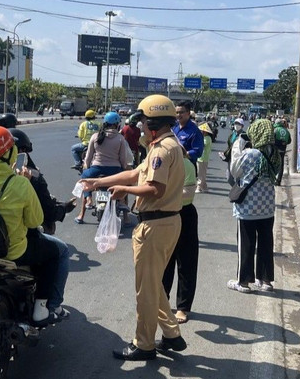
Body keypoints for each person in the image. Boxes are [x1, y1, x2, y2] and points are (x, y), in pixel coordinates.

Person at [82, 94, 187, 361]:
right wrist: (98, 183)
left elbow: (154, 188)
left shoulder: (162, 150)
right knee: (153, 285)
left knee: (145, 291)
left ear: (153, 122)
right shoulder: (162, 145)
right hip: (165, 222)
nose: (138, 126)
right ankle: (172, 334)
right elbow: (134, 173)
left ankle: (144, 344)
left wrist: (122, 190)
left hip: (155, 225)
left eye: (141, 121)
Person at [0, 127, 68, 329]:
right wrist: (25, 184)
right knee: (57, 253)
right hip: (14, 252)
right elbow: (34, 221)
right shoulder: (20, 183)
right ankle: (42, 308)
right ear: (9, 153)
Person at [227, 119, 281, 293]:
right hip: (267, 206)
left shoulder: (250, 154)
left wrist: (238, 144)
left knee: (246, 244)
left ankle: (243, 281)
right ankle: (265, 281)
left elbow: (234, 170)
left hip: (248, 207)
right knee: (266, 243)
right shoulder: (275, 154)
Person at [8, 128, 76, 235]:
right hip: (20, 239)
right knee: (63, 251)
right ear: (19, 152)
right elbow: (48, 214)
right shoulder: (31, 177)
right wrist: (64, 208)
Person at [162, 148, 199, 324]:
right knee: (164, 262)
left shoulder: (186, 165)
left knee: (186, 263)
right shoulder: (158, 164)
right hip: (163, 215)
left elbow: (188, 194)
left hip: (183, 213)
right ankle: (162, 301)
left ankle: (183, 307)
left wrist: (163, 196)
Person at [75, 112, 128, 223]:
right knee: (126, 180)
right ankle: (123, 206)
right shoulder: (120, 138)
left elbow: (88, 157)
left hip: (96, 169)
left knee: (85, 179)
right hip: (115, 170)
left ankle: (86, 205)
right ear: (117, 124)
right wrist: (124, 169)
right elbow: (123, 160)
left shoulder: (95, 136)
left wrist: (86, 168)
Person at [273, 118, 292, 186]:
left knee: (274, 164)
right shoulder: (286, 131)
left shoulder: (275, 130)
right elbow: (289, 141)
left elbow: (273, 140)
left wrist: (279, 142)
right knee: (281, 165)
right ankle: (279, 181)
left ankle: (273, 179)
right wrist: (284, 142)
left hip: (275, 150)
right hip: (283, 150)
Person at [196, 122, 214, 193]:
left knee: (200, 174)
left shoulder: (207, 138)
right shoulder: (205, 138)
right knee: (202, 173)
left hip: (203, 158)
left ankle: (199, 187)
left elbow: (202, 146)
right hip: (201, 158)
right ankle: (204, 187)